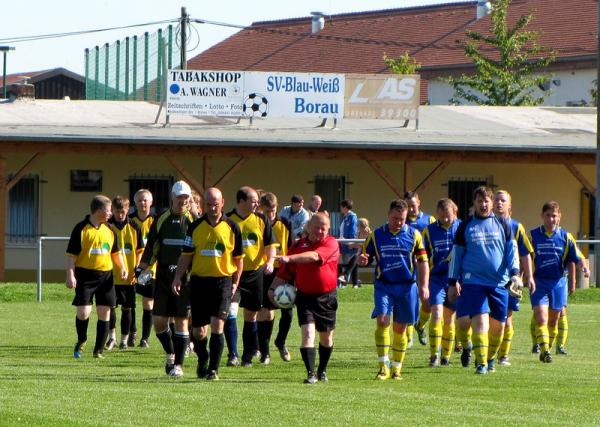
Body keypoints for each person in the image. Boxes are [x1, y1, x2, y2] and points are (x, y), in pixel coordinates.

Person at [171, 187, 244, 381]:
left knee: (217, 325)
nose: (213, 208)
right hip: (199, 282)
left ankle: (213, 370)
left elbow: (238, 259)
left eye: (216, 204)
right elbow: (186, 256)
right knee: (199, 331)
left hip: (223, 282)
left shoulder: (233, 228)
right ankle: (203, 357)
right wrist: (178, 277)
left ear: (223, 203)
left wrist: (236, 281)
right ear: (203, 205)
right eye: (209, 204)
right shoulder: (194, 227)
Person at [448, 186, 520, 375]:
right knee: (480, 320)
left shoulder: (503, 225)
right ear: (474, 203)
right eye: (479, 201)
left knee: (498, 327)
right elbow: (457, 255)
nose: (483, 204)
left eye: (486, 200)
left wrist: (515, 273)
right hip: (473, 282)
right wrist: (452, 281)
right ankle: (480, 363)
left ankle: (489, 360)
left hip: (499, 283)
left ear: (492, 203)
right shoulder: (465, 226)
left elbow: (512, 251)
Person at [359, 199, 429, 380]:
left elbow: (423, 262)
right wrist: (363, 259)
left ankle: (397, 368)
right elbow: (364, 254)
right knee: (382, 321)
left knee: (400, 328)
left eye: (402, 219)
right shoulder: (376, 235)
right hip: (384, 285)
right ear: (388, 214)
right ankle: (383, 366)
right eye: (395, 218)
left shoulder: (414, 235)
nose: (398, 222)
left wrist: (424, 286)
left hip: (406, 287)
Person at [270, 213, 340, 384]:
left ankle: (322, 370)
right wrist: (272, 288)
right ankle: (311, 373)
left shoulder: (331, 243)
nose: (320, 231)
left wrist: (289, 257)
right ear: (309, 227)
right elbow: (285, 272)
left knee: (326, 338)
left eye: (324, 228)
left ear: (328, 229)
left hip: (327, 297)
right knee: (308, 333)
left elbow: (314, 257)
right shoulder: (298, 245)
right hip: (304, 296)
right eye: (316, 227)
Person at [137, 181, 195, 377]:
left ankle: (178, 364)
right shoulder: (161, 219)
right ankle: (170, 353)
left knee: (181, 321)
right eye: (179, 197)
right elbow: (152, 247)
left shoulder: (193, 220)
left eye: (185, 197)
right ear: (172, 197)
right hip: (163, 277)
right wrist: (141, 268)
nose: (183, 201)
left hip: (185, 279)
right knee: (159, 321)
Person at [66, 195, 127, 359]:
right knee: (83, 312)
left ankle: (98, 350)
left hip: (106, 276)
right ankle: (81, 340)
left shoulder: (110, 230)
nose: (110, 214)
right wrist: (70, 275)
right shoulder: (81, 229)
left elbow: (115, 253)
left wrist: (122, 267)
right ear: (99, 210)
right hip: (85, 276)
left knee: (104, 312)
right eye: (108, 211)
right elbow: (71, 256)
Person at [529, 201, 589, 364]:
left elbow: (577, 257)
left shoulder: (565, 236)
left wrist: (583, 268)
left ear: (559, 217)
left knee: (553, 321)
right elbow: (524, 257)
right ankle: (545, 350)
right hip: (539, 282)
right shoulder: (533, 235)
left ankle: (547, 345)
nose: (551, 219)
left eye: (554, 216)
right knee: (541, 317)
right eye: (547, 215)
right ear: (542, 216)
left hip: (558, 283)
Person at [226, 186, 276, 367]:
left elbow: (271, 245)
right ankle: (233, 354)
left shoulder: (262, 219)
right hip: (232, 274)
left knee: (251, 316)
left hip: (255, 274)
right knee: (230, 312)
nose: (257, 204)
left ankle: (247, 356)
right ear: (241, 201)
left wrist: (270, 261)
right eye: (253, 201)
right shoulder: (228, 220)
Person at [493, 190, 536, 366]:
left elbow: (525, 254)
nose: (499, 203)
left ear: (510, 205)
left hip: (511, 280)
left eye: (503, 200)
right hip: (488, 278)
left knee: (506, 318)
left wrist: (530, 277)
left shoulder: (517, 227)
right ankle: (486, 351)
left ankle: (503, 355)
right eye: (496, 200)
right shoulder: (484, 225)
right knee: (486, 317)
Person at [421, 198, 461, 367]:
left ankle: (446, 356)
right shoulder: (429, 231)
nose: (445, 218)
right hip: (436, 279)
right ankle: (433, 355)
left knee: (449, 319)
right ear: (437, 214)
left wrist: (459, 280)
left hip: (455, 280)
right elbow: (421, 257)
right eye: (442, 215)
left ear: (455, 212)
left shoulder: (462, 228)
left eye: (448, 215)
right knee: (436, 314)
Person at [257, 192, 294, 363]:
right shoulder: (258, 224)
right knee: (266, 312)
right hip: (265, 272)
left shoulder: (285, 224)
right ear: (261, 209)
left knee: (287, 311)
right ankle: (264, 352)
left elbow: (291, 248)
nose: (270, 214)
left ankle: (281, 341)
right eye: (267, 211)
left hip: (284, 271)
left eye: (273, 211)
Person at [106, 196, 144, 350]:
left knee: (127, 309)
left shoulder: (135, 226)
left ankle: (124, 340)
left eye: (123, 211)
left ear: (127, 210)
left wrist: (136, 268)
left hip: (129, 276)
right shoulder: (108, 227)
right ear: (112, 210)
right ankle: (112, 338)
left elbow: (140, 250)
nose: (120, 214)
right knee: (111, 307)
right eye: (117, 211)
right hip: (111, 276)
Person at [405, 191, 436, 348]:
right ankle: (408, 336)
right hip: (408, 267)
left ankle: (421, 326)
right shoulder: (402, 220)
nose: (411, 209)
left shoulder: (429, 220)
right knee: (410, 302)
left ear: (419, 202)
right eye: (408, 206)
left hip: (425, 266)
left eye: (413, 205)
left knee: (427, 301)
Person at [129, 189, 156, 348]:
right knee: (130, 303)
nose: (142, 203)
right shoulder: (129, 221)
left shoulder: (156, 220)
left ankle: (144, 338)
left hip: (151, 269)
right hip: (132, 268)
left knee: (148, 303)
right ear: (135, 203)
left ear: (151, 202)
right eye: (139, 200)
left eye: (145, 200)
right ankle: (132, 332)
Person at [338, 199, 358, 287]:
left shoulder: (352, 216)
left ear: (345, 207)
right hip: (344, 243)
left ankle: (346, 281)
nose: (340, 209)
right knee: (351, 263)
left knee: (352, 262)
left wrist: (351, 242)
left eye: (341, 207)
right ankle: (355, 283)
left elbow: (353, 230)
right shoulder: (346, 216)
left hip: (348, 243)